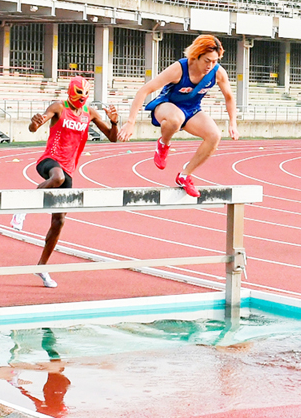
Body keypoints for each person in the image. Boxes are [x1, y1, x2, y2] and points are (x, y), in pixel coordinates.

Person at [117, 34, 239, 197]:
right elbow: (145, 90)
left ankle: (184, 176)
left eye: (215, 61)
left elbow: (229, 97)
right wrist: (131, 122)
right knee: (176, 119)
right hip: (166, 106)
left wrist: (233, 123)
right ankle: (163, 143)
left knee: (214, 135)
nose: (210, 65)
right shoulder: (179, 69)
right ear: (196, 56)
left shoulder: (218, 73)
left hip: (192, 110)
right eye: (207, 61)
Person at [26, 76, 119, 288]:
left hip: (69, 169)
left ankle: (42, 267)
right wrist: (34, 124)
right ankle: (23, 208)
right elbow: (35, 127)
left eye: (85, 96)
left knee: (59, 222)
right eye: (79, 96)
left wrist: (114, 122)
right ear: (70, 93)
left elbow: (112, 138)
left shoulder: (89, 113)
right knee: (56, 178)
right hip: (49, 161)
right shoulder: (59, 107)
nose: (82, 100)